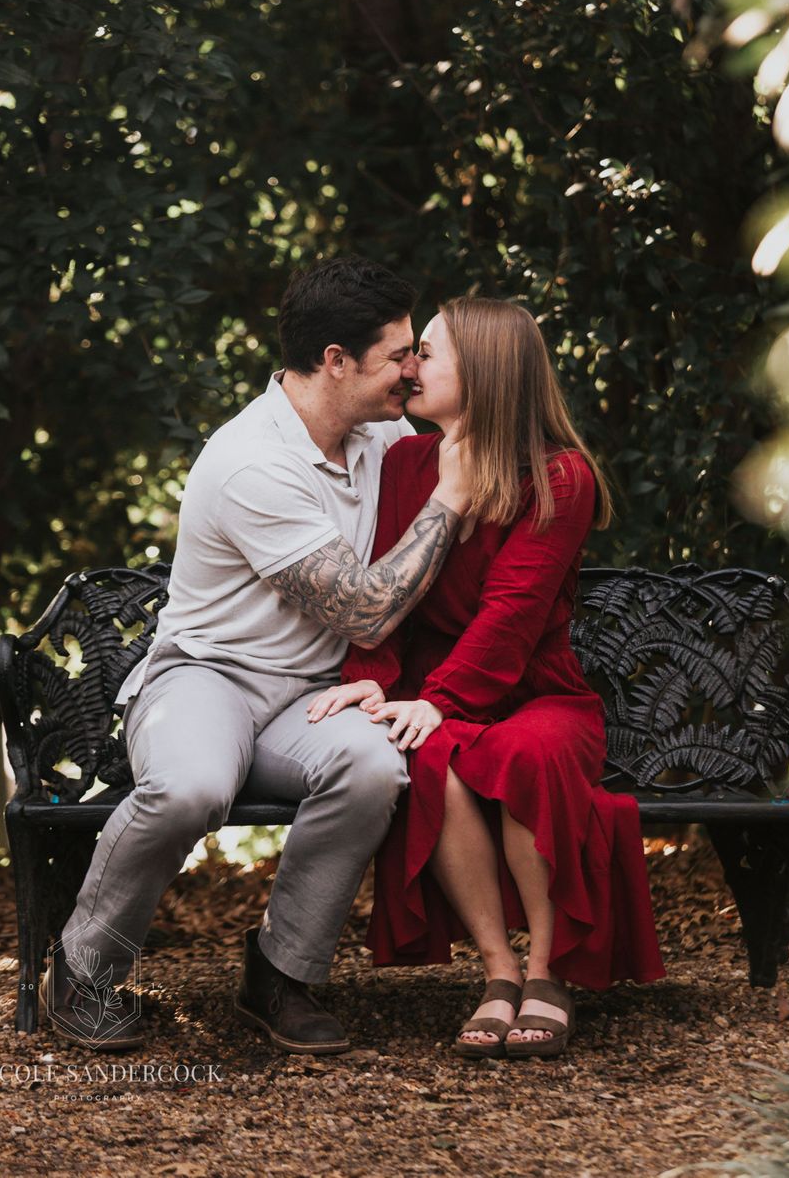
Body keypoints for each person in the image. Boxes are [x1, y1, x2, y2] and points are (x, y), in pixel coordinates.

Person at [42, 258, 474, 1055]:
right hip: (208, 677)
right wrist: (450, 499)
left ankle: (279, 972)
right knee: (189, 786)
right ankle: (82, 968)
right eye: (397, 355)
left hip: (312, 692)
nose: (413, 371)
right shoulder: (251, 460)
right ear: (336, 360)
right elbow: (367, 610)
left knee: (372, 768)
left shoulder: (386, 434)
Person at [339, 297, 665, 1060]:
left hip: (537, 691)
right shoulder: (405, 463)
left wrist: (439, 699)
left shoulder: (559, 475)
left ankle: (547, 971)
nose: (410, 367)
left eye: (427, 352)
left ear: (483, 372)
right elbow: (390, 590)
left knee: (526, 752)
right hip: (436, 687)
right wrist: (373, 679)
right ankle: (499, 970)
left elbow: (513, 613)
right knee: (429, 755)